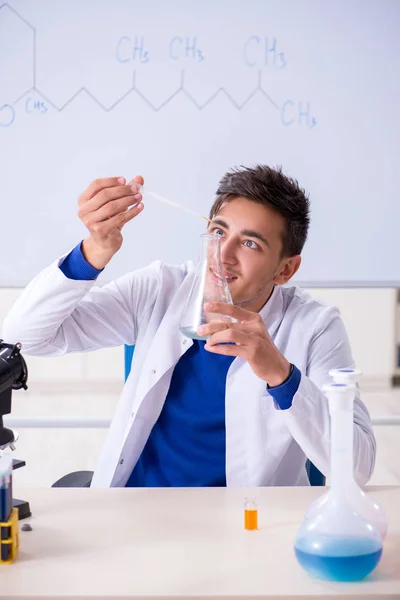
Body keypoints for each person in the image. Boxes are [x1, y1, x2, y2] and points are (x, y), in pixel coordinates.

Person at [2, 165, 375, 488]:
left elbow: (356, 468)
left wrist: (280, 374)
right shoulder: (160, 288)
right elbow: (25, 338)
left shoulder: (315, 326)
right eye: (217, 232)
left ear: (285, 269)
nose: (223, 256)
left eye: (249, 243)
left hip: (244, 524)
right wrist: (94, 250)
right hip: (134, 510)